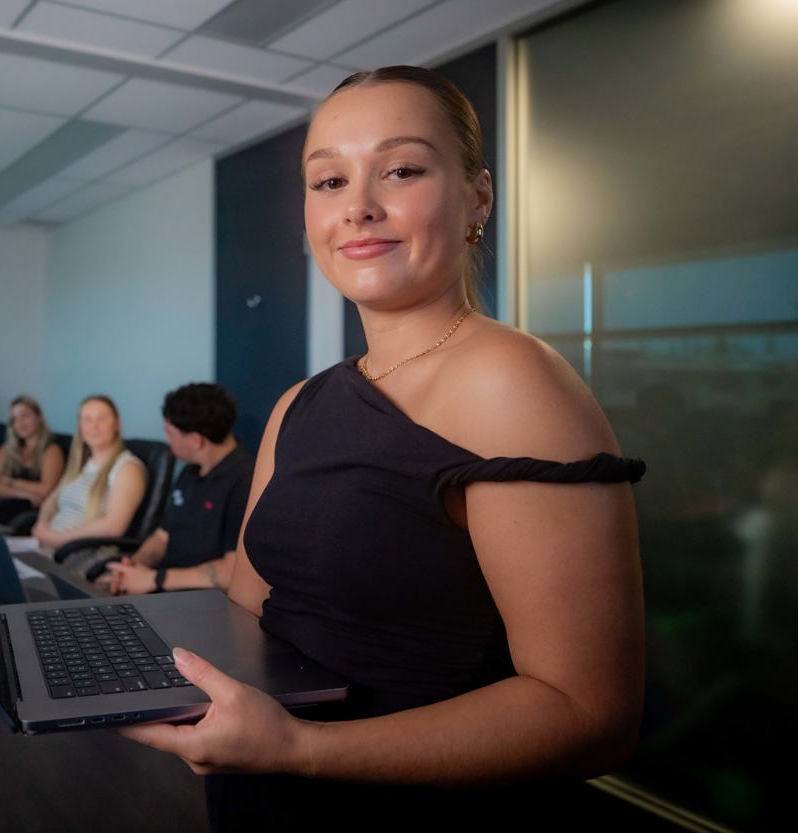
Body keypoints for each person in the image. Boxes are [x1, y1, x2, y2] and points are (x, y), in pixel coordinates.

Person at [119, 66, 646, 830]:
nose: (359, 207)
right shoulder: (301, 404)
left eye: (401, 170)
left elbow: (589, 713)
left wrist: (299, 748)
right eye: (328, 181)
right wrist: (122, 640)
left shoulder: (513, 383)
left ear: (479, 198)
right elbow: (252, 604)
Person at [101, 383, 254, 595]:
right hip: (162, 586)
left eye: (170, 433)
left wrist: (155, 580)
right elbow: (163, 536)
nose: (167, 441)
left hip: (199, 600)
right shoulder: (189, 473)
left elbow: (233, 570)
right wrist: (133, 567)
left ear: (195, 440)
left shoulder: (246, 481)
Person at [30, 395, 146, 565]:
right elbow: (52, 500)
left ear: (117, 423)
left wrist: (58, 539)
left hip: (77, 558)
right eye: (87, 419)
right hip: (47, 549)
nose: (94, 426)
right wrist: (41, 528)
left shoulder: (127, 467)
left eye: (102, 418)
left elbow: (113, 526)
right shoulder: (82, 465)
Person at [0, 395, 66, 526]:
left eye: (25, 416)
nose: (20, 423)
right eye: (15, 419)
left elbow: (46, 489)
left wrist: (9, 481)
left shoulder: (51, 450)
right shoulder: (8, 447)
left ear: (39, 417)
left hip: (24, 513)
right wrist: (23, 495)